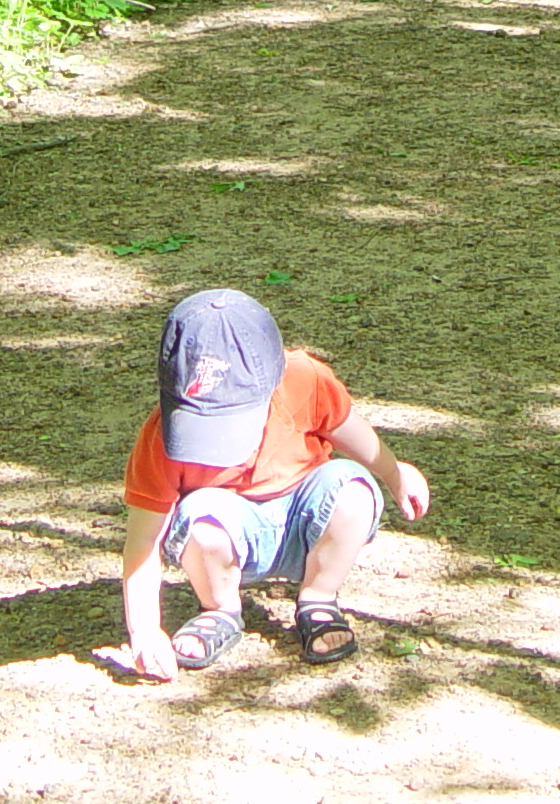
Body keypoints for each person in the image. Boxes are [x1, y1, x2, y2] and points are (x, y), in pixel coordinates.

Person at [116, 287, 431, 676]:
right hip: (230, 538)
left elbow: (352, 433)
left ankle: (319, 596)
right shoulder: (162, 438)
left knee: (352, 487)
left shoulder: (304, 379)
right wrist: (145, 630)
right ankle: (221, 609)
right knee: (199, 518)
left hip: (305, 521)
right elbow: (143, 539)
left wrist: (395, 473)